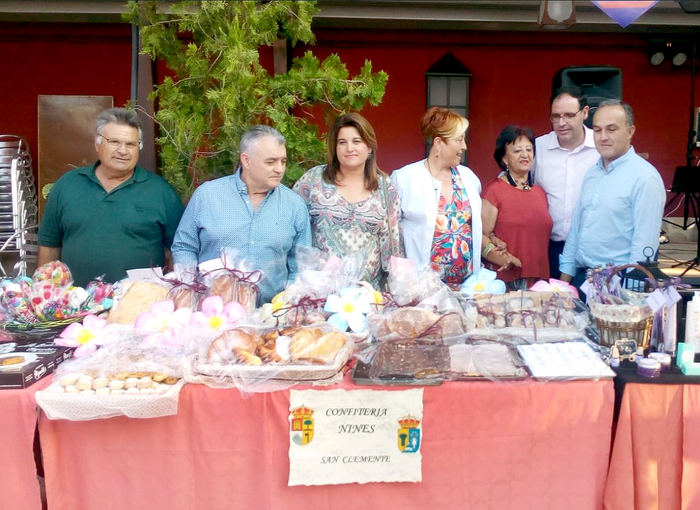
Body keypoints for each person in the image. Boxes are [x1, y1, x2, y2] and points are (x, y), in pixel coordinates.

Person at [38, 107, 184, 287]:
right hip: (74, 306)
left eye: (131, 144)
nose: (123, 151)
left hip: (138, 306)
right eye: (114, 142)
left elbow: (179, 250)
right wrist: (45, 294)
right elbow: (49, 246)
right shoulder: (67, 186)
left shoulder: (160, 192)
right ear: (97, 144)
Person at [171, 125, 312, 304]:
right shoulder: (207, 196)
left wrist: (288, 302)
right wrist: (189, 290)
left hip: (270, 316)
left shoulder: (294, 205)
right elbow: (184, 247)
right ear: (246, 160)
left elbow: (300, 266)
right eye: (271, 162)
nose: (279, 169)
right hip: (212, 315)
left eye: (283, 161)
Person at [392, 107, 514, 287]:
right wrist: (402, 282)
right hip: (421, 288)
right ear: (439, 143)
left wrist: (494, 248)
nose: (464, 147)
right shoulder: (404, 179)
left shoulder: (469, 178)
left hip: (468, 287)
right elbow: (393, 237)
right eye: (459, 140)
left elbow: (473, 231)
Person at [560, 100, 666, 287]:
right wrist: (562, 284)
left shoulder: (645, 178)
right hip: (582, 279)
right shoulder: (592, 173)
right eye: (598, 130)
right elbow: (577, 231)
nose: (603, 137)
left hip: (618, 282)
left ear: (630, 132)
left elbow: (644, 247)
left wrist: (629, 299)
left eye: (611, 129)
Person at [293, 112, 403, 289]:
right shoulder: (313, 180)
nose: (349, 148)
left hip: (367, 295)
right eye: (342, 142)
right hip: (318, 292)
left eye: (356, 141)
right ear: (334, 148)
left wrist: (395, 291)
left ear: (369, 148)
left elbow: (393, 245)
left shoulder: (385, 187)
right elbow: (292, 225)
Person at [533, 86, 600, 278]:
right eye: (556, 116)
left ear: (585, 112)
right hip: (549, 248)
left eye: (569, 115)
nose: (561, 123)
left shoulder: (600, 149)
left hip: (591, 249)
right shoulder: (538, 148)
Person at [482, 126, 553, 288]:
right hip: (505, 280)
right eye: (517, 150)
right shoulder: (494, 190)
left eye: (529, 149)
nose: (525, 154)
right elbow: (481, 236)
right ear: (504, 159)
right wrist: (502, 256)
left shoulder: (540, 193)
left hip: (539, 281)